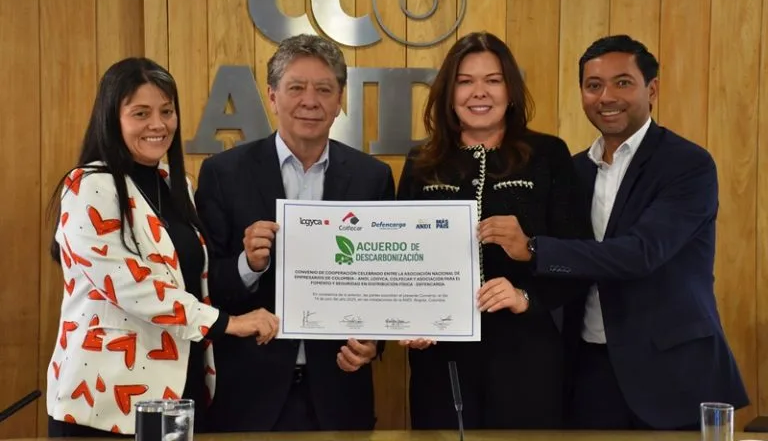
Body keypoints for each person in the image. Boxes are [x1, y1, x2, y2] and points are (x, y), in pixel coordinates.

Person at [491, 34, 749, 430]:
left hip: (671, 373)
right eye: (593, 85)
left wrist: (534, 249)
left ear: (652, 89)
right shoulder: (574, 170)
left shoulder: (688, 164)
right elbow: (567, 266)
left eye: (623, 82)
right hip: (588, 370)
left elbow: (641, 252)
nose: (606, 97)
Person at [45, 58, 279, 437]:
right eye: (141, 113)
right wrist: (227, 323)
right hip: (104, 404)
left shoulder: (176, 184)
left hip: (176, 394)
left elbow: (190, 279)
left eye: (166, 111)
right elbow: (130, 285)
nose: (158, 124)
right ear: (112, 118)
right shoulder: (88, 186)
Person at [195, 34, 395, 432]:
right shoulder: (223, 174)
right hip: (249, 396)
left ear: (340, 100)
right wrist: (248, 265)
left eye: (324, 89)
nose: (310, 101)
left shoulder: (372, 178)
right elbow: (203, 284)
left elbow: (386, 280)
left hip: (340, 391)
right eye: (296, 88)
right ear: (272, 96)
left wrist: (373, 342)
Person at [396, 31, 591, 430]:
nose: (479, 92)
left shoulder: (548, 155)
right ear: (448, 93)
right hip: (441, 359)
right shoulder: (422, 161)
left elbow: (579, 257)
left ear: (511, 90)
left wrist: (525, 294)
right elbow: (399, 257)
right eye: (465, 81)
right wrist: (410, 318)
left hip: (527, 354)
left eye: (493, 80)